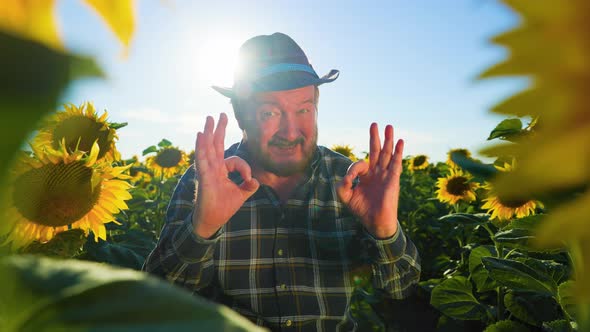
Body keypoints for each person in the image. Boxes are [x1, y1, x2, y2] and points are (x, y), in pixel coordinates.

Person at [143, 32, 420, 331]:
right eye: (270, 112)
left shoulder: (350, 181)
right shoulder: (206, 181)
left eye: (303, 109)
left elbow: (401, 288)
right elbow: (156, 300)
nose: (290, 132)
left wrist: (384, 231)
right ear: (240, 116)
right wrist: (202, 228)